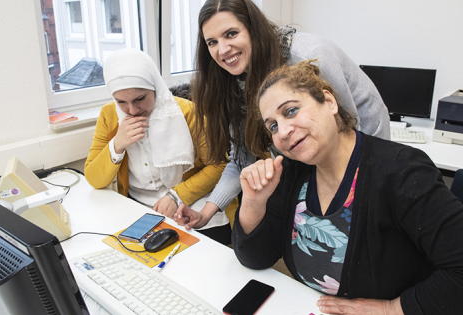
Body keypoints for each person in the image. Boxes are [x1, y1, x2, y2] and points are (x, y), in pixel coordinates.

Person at [232, 60, 463, 314]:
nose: (283, 131)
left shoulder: (401, 171)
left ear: (329, 102)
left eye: (290, 111)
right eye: (273, 126)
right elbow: (255, 258)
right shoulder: (292, 172)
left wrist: (391, 309)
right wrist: (254, 202)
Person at [174, 0, 390, 231]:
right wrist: (206, 212)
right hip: (314, 159)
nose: (223, 49)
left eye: (231, 33)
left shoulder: (309, 55)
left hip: (366, 144)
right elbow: (241, 158)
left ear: (253, 28)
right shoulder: (236, 81)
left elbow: (348, 131)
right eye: (212, 42)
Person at [84, 49, 237, 245]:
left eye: (140, 99)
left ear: (155, 87)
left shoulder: (187, 112)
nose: (132, 110)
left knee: (199, 252)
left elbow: (218, 166)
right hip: (139, 205)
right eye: (121, 102)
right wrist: (117, 144)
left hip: (192, 199)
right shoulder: (109, 115)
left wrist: (176, 196)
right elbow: (94, 178)